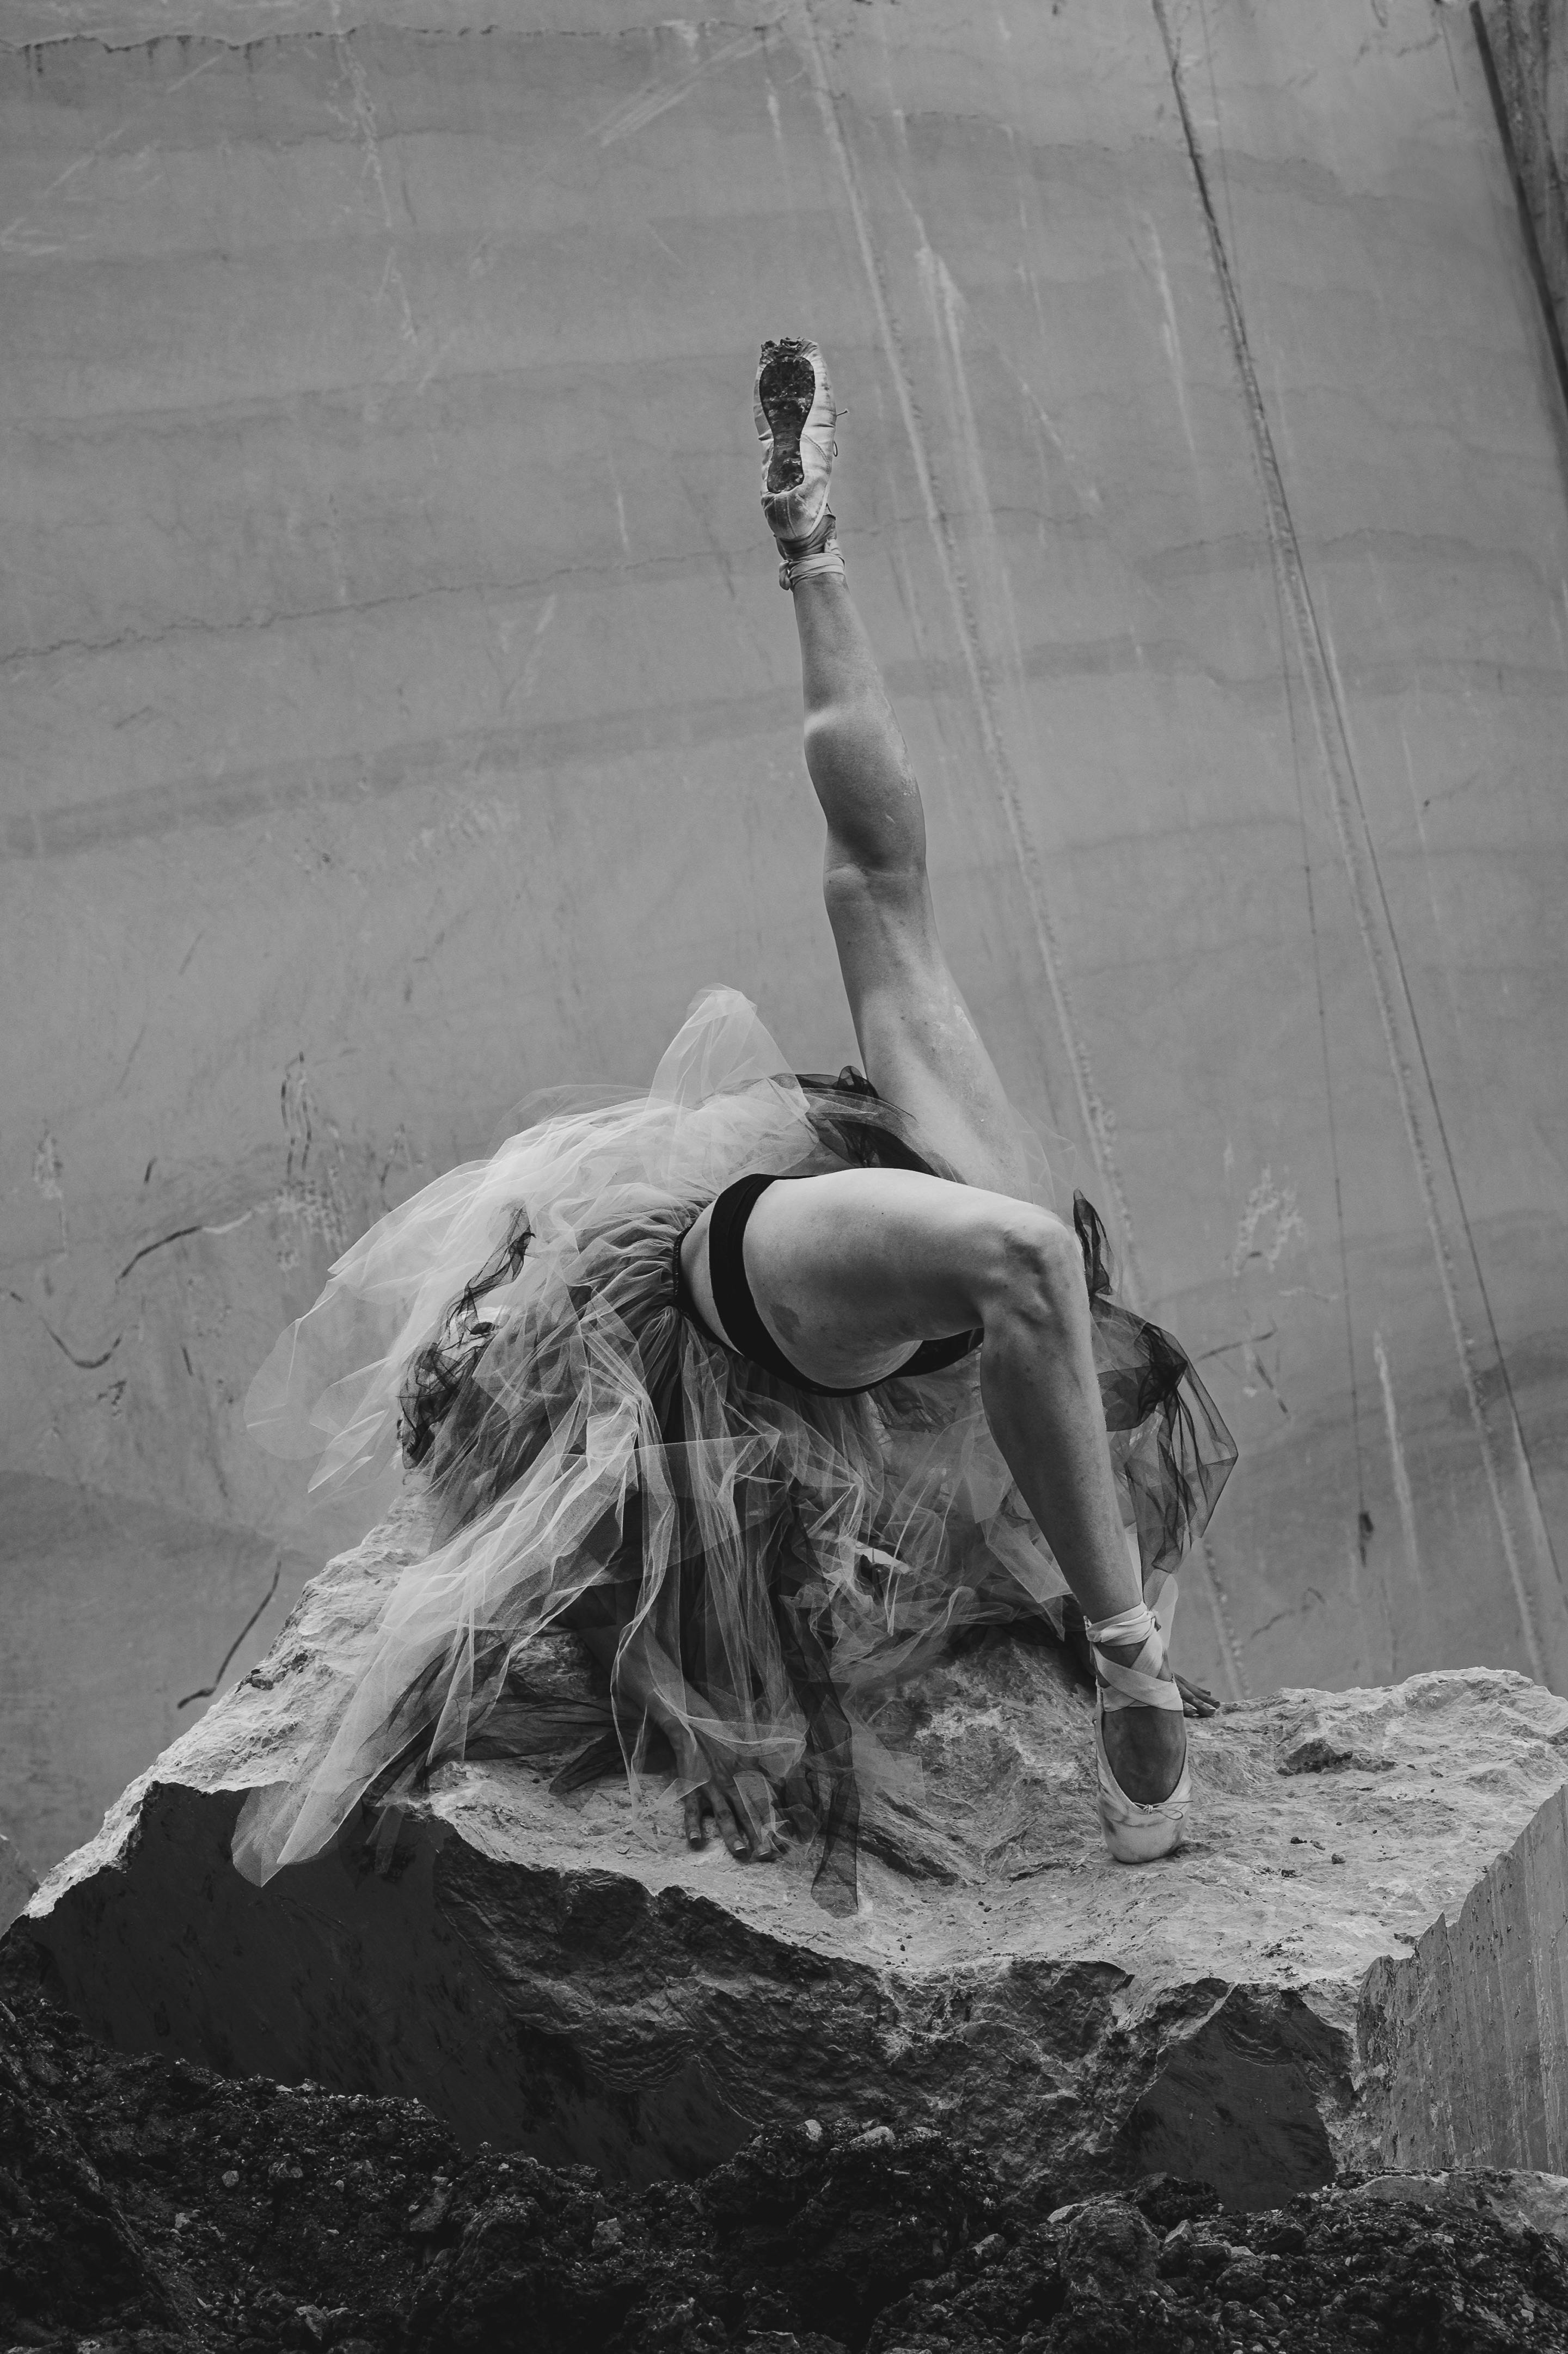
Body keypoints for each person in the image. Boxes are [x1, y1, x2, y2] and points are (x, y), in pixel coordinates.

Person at [234, 339, 1235, 1910]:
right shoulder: (995, 1231)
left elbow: (874, 854)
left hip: (783, 1242)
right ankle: (1133, 1691)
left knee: (905, 937)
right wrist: (1125, 1649)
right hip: (748, 1264)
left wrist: (813, 550)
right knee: (1009, 1228)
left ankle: (812, 544)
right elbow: (876, 863)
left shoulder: (973, 1213)